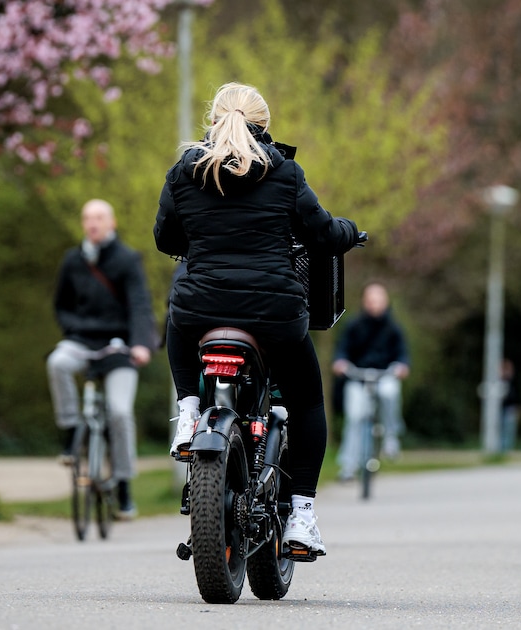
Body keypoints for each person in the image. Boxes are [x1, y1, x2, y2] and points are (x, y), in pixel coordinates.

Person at [154, 82, 360, 555]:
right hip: (273, 315)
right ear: (264, 125)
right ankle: (301, 516)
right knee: (307, 402)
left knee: (178, 317)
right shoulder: (284, 172)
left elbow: (165, 238)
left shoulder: (184, 171)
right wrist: (350, 232)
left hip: (201, 309)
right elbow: (323, 233)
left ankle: (189, 413)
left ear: (212, 121)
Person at [47, 199, 156, 519]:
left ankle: (123, 485)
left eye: (98, 218)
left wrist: (140, 344)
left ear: (112, 222)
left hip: (119, 347)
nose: (92, 223)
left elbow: (140, 304)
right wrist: (73, 327)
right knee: (57, 363)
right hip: (81, 341)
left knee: (120, 413)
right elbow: (61, 304)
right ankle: (71, 432)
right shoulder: (73, 260)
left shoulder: (127, 259)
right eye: (87, 218)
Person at [333, 283, 410, 480]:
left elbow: (402, 353)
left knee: (389, 393)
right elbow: (342, 350)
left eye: (378, 301)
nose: (375, 305)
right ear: (364, 302)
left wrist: (402, 366)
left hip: (384, 376)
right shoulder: (354, 325)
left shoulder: (393, 327)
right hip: (358, 377)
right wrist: (340, 362)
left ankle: (391, 437)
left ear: (385, 302)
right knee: (354, 418)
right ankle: (348, 466)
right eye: (371, 301)